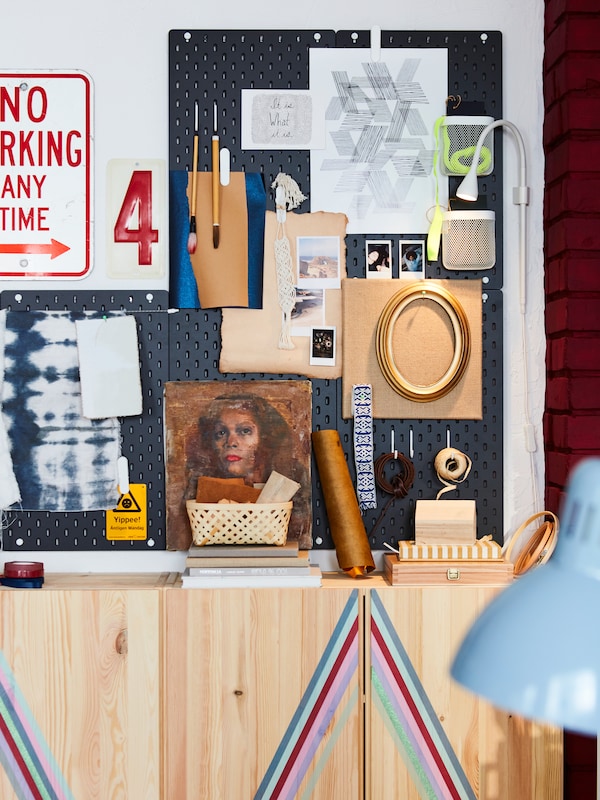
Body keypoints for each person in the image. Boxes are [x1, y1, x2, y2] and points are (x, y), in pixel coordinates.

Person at [185, 393, 310, 543]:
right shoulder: (200, 479)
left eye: (245, 431)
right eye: (221, 433)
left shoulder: (291, 474)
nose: (231, 442)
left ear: (265, 437)